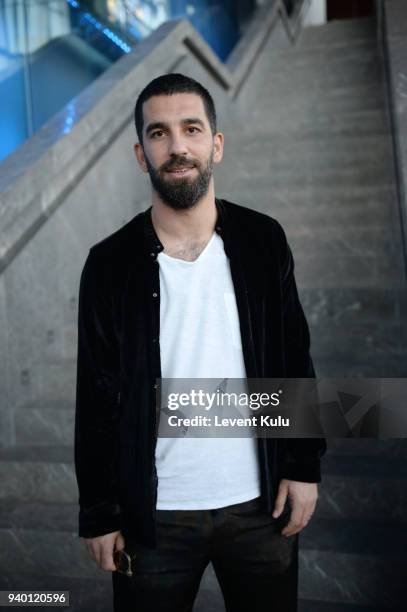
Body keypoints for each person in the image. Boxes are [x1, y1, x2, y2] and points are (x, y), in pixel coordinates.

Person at [75, 73, 326, 612]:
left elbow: (293, 359)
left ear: (215, 144)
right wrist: (99, 511)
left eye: (191, 128)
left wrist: (303, 466)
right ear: (141, 154)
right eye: (159, 133)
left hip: (261, 505)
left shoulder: (263, 240)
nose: (177, 146)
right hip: (155, 517)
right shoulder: (109, 263)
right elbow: (96, 395)